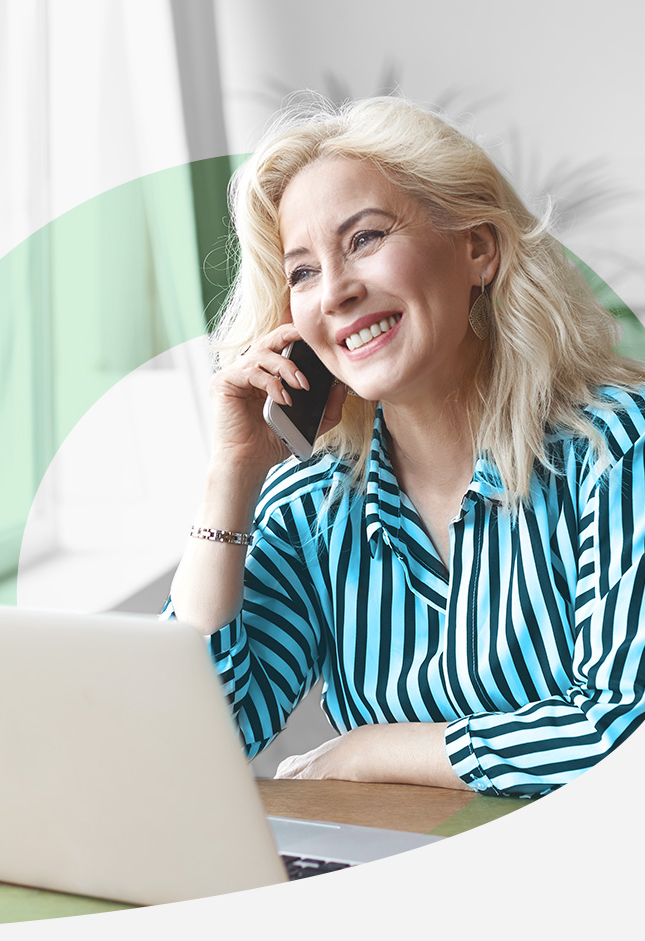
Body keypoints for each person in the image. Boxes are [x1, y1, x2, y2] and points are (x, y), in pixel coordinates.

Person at [164, 95, 645, 798]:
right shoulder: (312, 510)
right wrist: (230, 476)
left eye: (364, 239)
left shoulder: (616, 451)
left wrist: (372, 750)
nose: (335, 291)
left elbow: (620, 733)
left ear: (477, 249)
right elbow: (186, 747)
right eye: (302, 271)